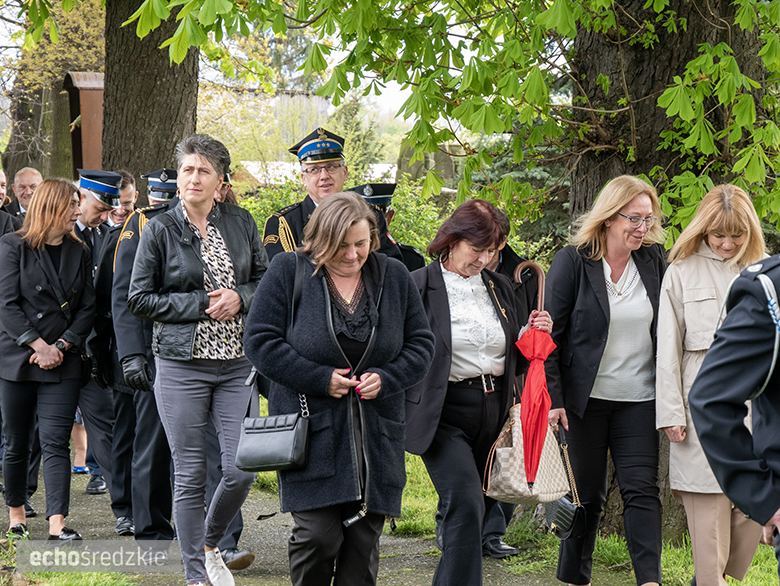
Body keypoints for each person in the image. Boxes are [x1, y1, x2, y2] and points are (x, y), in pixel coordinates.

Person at [244, 191, 434, 586]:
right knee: (317, 535)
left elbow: (421, 344)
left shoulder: (393, 276)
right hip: (312, 434)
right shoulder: (287, 270)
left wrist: (388, 378)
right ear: (319, 240)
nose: (352, 255)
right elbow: (259, 341)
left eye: (361, 244)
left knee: (362, 544)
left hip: (376, 435)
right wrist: (318, 378)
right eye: (341, 246)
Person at [128, 134, 268, 586]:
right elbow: (139, 298)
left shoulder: (243, 223)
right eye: (188, 169)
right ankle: (196, 575)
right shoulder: (159, 229)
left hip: (236, 365)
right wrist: (200, 304)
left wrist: (239, 298)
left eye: (203, 170)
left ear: (221, 181)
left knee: (240, 469)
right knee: (189, 474)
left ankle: (208, 544)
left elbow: (267, 283)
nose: (193, 177)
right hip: (181, 365)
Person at [405, 199, 552, 586]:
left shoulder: (500, 286)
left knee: (481, 511)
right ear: (452, 240)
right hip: (443, 413)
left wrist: (534, 335)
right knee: (466, 504)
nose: (485, 258)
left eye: (492, 251)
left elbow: (513, 355)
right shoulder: (417, 285)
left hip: (495, 412)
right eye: (477, 249)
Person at [545, 175, 666, 586]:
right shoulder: (573, 261)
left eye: (648, 219)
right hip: (585, 403)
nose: (642, 228)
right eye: (634, 219)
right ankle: (574, 578)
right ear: (610, 217)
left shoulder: (652, 261)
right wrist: (555, 399)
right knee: (587, 497)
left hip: (639, 398)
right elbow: (550, 338)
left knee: (641, 491)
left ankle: (649, 580)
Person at [656, 185, 765, 586]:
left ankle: (717, 577)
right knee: (708, 510)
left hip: (757, 407)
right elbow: (666, 348)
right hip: (698, 406)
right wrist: (669, 412)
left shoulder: (764, 271)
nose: (726, 243)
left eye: (736, 235)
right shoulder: (681, 272)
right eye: (718, 235)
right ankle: (709, 580)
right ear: (703, 229)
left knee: (757, 503)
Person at [0, 178, 94, 540]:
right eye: (72, 204)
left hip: (63, 360)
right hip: (18, 360)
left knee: (56, 441)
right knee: (16, 440)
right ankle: (17, 517)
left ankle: (57, 524)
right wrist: (39, 346)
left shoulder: (80, 249)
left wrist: (63, 345)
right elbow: (6, 305)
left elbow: (87, 306)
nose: (76, 211)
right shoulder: (12, 246)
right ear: (51, 206)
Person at [111, 168, 178, 544]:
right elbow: (124, 296)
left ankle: (213, 535)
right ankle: (151, 531)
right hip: (154, 353)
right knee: (151, 445)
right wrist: (132, 354)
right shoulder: (140, 224)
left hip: (205, 352)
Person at [262, 128, 404, 265]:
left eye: (331, 167)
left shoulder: (371, 214)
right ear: (303, 178)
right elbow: (277, 279)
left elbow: (391, 265)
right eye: (314, 169)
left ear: (345, 172)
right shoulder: (283, 224)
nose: (324, 176)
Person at [74, 169, 123, 500]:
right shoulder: (58, 235)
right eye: (101, 208)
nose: (107, 215)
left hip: (92, 346)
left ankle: (123, 504)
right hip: (52, 347)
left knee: (105, 427)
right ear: (83, 197)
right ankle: (20, 502)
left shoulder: (109, 236)